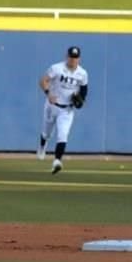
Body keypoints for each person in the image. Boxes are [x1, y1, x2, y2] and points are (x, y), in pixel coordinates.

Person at [36, 46, 88, 175]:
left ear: (79, 59)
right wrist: (48, 94)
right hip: (51, 105)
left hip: (67, 110)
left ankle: (57, 161)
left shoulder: (83, 74)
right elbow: (43, 81)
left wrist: (81, 101)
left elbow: (84, 91)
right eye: (71, 57)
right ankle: (42, 145)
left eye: (75, 58)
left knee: (63, 135)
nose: (73, 60)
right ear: (67, 56)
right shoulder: (57, 68)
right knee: (46, 133)